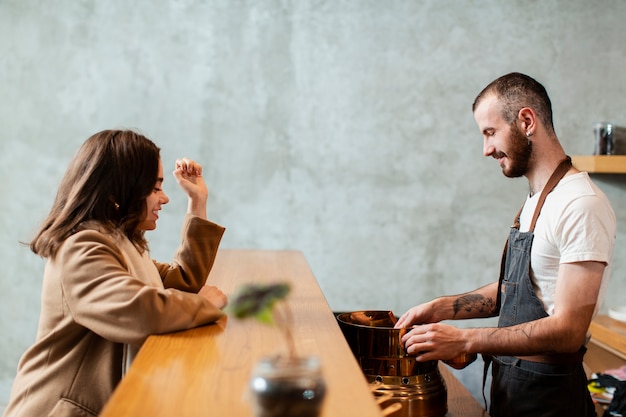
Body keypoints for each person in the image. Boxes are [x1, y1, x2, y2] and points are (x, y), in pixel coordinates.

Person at [395, 73, 616, 417]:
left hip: (551, 405)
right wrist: (442, 307)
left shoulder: (581, 204)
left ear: (527, 121)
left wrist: (466, 339)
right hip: (512, 397)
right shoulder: (537, 200)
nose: (486, 150)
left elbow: (568, 331)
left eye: (490, 132)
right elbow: (516, 293)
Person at [3, 130, 228, 417]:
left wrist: (197, 202)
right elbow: (138, 311)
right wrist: (205, 305)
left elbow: (181, 282)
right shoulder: (82, 248)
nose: (165, 198)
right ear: (119, 192)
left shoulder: (119, 243)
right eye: (155, 187)